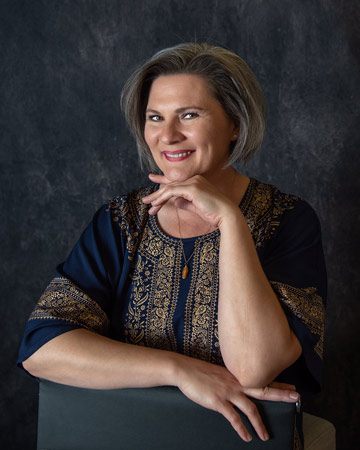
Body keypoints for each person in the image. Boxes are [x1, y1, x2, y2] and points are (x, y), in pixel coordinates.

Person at [18, 43, 326, 448]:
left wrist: (230, 222)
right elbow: (42, 348)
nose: (167, 136)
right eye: (155, 118)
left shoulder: (287, 219)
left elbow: (253, 369)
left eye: (189, 114)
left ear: (235, 123)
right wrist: (181, 371)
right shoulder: (121, 221)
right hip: (125, 435)